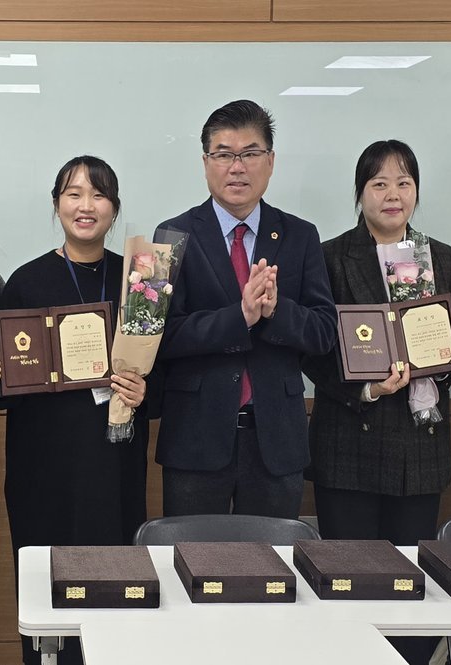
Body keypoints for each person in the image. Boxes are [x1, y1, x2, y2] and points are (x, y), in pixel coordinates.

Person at [301, 139, 451, 664]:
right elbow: (313, 348)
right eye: (379, 183)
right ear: (361, 194)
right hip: (348, 445)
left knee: (412, 587)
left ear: (416, 191)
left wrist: (436, 366)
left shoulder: (440, 257)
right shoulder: (329, 256)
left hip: (420, 447)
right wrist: (368, 387)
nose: (392, 194)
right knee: (349, 581)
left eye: (403, 182)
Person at [0, 155, 148, 665]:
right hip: (43, 471)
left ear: (114, 208)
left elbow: (162, 372)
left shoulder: (139, 282)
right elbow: (3, 391)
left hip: (115, 465)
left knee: (115, 593)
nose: (85, 205)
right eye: (73, 194)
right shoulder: (26, 282)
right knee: (46, 601)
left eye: (98, 194)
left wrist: (143, 391)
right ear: (57, 205)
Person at [154, 99, 337, 518]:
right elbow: (162, 335)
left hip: (276, 438)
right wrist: (239, 318)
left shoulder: (300, 236)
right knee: (194, 554)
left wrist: (275, 311)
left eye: (250, 153)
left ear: (270, 161)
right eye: (223, 154)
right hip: (196, 437)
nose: (237, 167)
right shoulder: (172, 235)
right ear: (206, 162)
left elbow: (324, 332)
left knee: (272, 558)